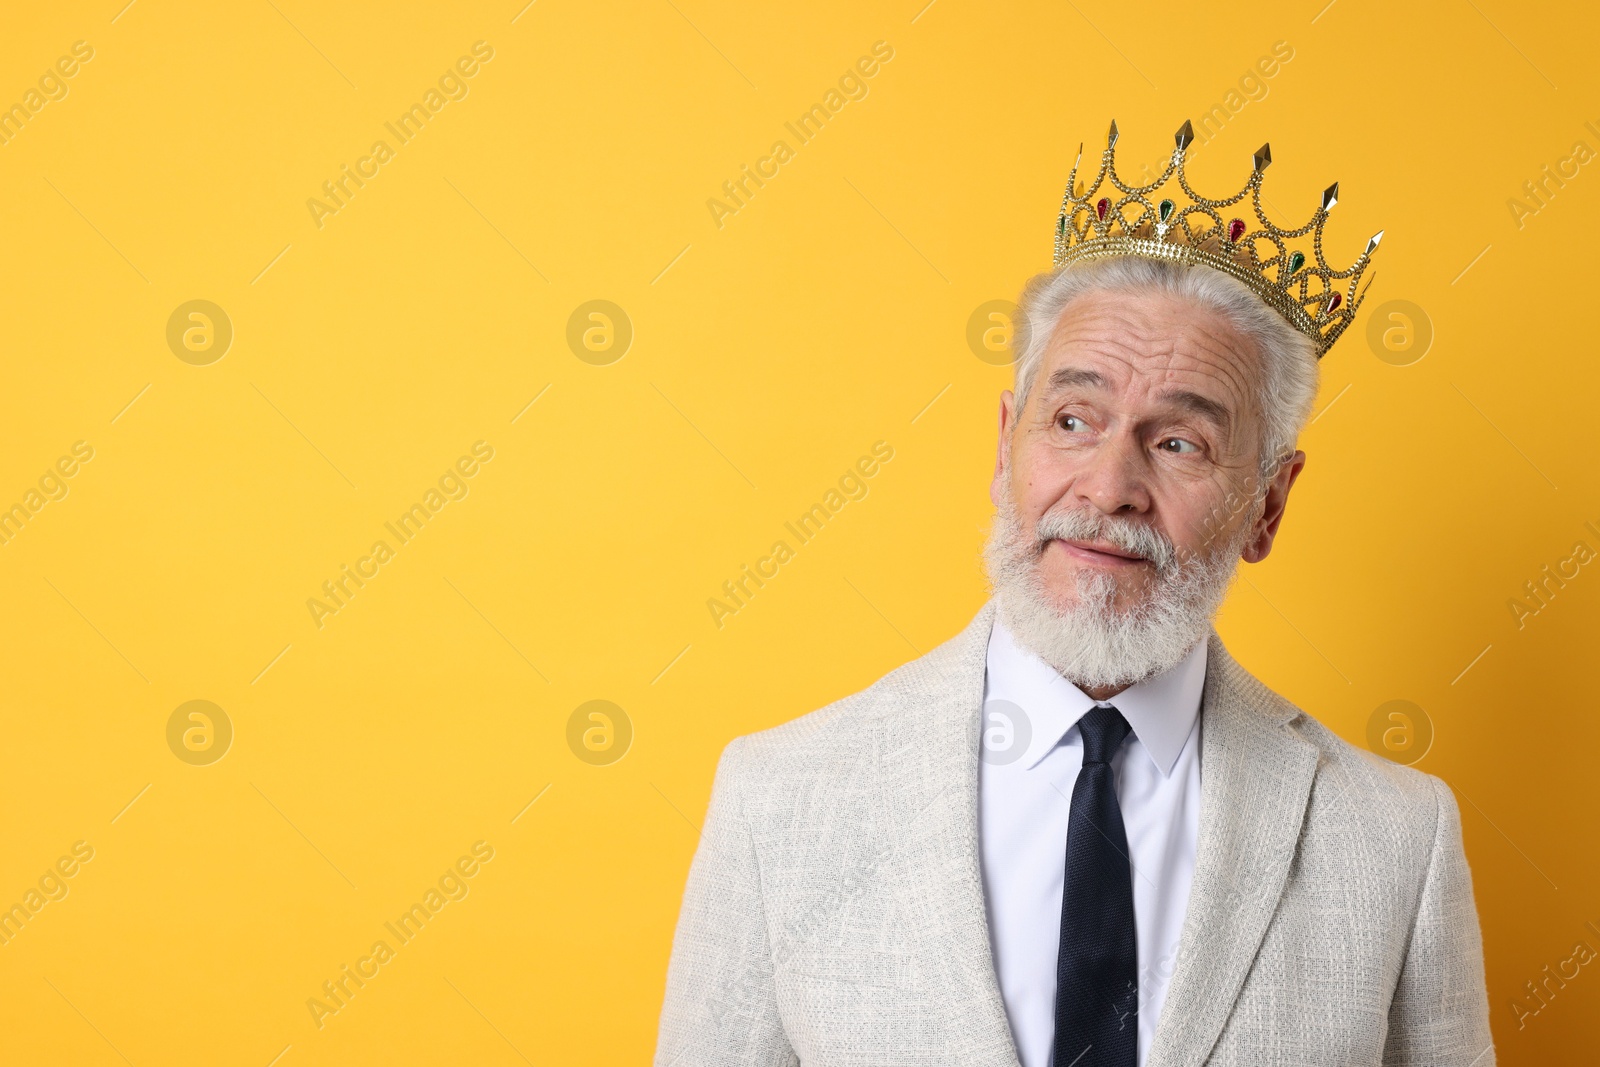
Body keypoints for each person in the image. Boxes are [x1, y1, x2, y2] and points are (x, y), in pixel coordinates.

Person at [655, 121, 1494, 1067]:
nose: (1107, 487)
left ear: (1268, 503)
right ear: (1005, 445)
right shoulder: (782, 799)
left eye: (1179, 441)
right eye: (1072, 419)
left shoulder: (1396, 838)